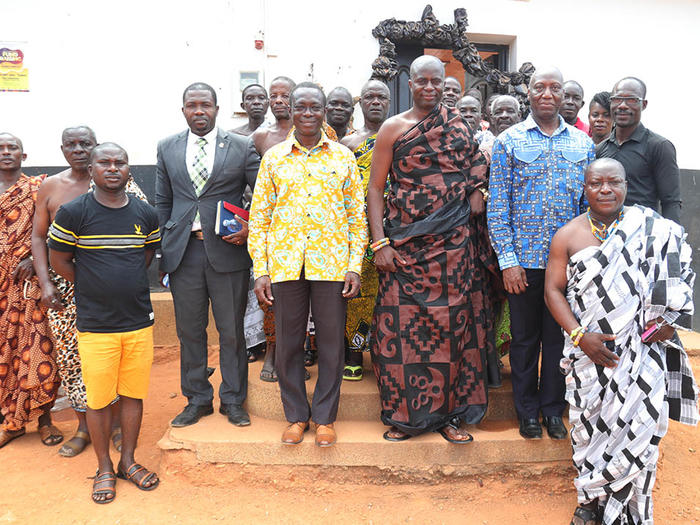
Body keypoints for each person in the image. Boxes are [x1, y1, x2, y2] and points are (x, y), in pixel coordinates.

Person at [544, 158, 697, 525]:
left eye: (614, 182)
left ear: (627, 186)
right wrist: (581, 338)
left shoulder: (655, 230)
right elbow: (552, 290)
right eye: (597, 183)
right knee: (587, 427)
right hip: (589, 356)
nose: (606, 190)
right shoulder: (568, 235)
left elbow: (683, 274)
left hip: (642, 353)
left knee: (639, 425)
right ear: (585, 188)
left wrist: (669, 323)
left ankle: (629, 506)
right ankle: (589, 500)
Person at [367, 55, 488, 443]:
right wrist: (380, 242)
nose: (430, 88)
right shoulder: (392, 128)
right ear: (410, 81)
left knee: (453, 332)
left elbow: (476, 167)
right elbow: (375, 189)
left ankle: (449, 417)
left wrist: (476, 190)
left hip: (453, 246)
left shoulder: (457, 125)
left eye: (437, 81)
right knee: (400, 334)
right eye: (423, 81)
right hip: (403, 247)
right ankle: (406, 418)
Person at [249, 82, 366, 447]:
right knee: (288, 343)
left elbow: (356, 216)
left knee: (331, 343)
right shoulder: (274, 159)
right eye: (302, 107)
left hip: (331, 265)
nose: (309, 114)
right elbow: (260, 218)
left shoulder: (342, 158)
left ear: (325, 110)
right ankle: (296, 416)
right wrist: (262, 270)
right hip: (285, 265)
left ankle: (325, 418)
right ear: (292, 111)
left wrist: (354, 265)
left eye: (316, 107)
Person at [49, 142, 161, 504]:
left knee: (133, 394)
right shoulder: (73, 213)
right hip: (96, 325)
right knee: (98, 401)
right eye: (105, 162)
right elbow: (59, 260)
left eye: (120, 162)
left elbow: (145, 256)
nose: (113, 168)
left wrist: (119, 280)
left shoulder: (145, 213)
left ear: (129, 169)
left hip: (138, 322)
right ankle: (104, 468)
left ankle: (128, 461)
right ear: (93, 169)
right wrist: (93, 284)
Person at [487, 66, 595, 440]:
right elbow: (498, 207)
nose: (547, 94)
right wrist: (508, 261)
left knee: (559, 340)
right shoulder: (509, 142)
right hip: (524, 264)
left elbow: (587, 209)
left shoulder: (583, 145)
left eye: (555, 88)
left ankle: (553, 409)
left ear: (564, 95)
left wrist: (587, 260)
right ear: (528, 94)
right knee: (524, 340)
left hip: (568, 266)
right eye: (539, 87)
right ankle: (527, 412)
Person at [31, 126, 146, 457]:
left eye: (86, 143)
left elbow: (143, 237)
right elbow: (39, 237)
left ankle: (119, 428)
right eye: (72, 144)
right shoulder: (51, 187)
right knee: (74, 360)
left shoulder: (123, 184)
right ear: (62, 149)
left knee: (119, 359)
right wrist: (47, 282)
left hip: (115, 291)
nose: (79, 149)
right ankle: (85, 426)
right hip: (66, 290)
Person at [156, 82, 259, 428]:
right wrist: (165, 248)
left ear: (217, 108)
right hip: (184, 253)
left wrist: (251, 229)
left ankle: (232, 399)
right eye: (191, 105)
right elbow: (163, 201)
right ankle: (197, 399)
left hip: (229, 253)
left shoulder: (242, 146)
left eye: (205, 105)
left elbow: (263, 196)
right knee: (190, 332)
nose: (198, 111)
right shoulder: (167, 147)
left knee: (231, 331)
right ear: (182, 109)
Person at [0, 133, 61, 449]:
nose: (6, 152)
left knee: (37, 347)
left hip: (29, 283)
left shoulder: (37, 189)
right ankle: (11, 421)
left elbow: (52, 230)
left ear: (24, 156)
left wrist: (31, 259)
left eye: (13, 148)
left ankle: (45, 419)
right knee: (5, 353)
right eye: (1, 148)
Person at [339, 79, 390, 381]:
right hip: (357, 228)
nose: (375, 102)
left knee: (389, 296)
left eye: (381, 97)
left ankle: (386, 354)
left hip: (391, 226)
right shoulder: (348, 144)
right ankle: (354, 353)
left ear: (388, 102)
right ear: (360, 103)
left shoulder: (400, 135)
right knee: (357, 294)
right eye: (369, 97)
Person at [455, 94, 506, 389]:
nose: (468, 115)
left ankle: (487, 368)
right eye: (463, 110)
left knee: (484, 305)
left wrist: (480, 193)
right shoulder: (450, 144)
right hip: (453, 238)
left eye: (473, 110)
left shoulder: (490, 148)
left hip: (486, 239)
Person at [252, 76, 295, 382]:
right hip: (275, 227)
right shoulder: (260, 137)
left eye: (285, 95)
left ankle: (301, 353)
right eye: (274, 95)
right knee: (273, 298)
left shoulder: (322, 131)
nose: (279, 100)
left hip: (313, 227)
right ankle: (272, 351)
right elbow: (253, 187)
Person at [596, 77, 681, 224]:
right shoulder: (600, 149)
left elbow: (671, 202)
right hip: (604, 235)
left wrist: (671, 240)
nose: (622, 105)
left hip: (642, 235)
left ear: (644, 104)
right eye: (617, 99)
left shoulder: (659, 147)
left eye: (631, 100)